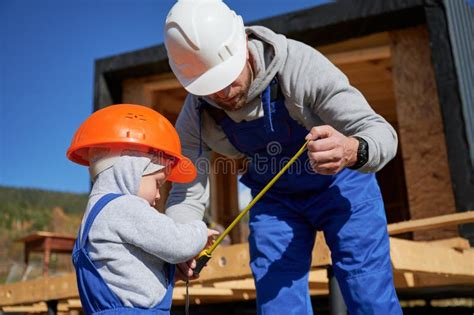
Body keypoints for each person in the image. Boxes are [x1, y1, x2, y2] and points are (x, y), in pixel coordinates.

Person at [163, 0, 402, 314]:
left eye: (227, 78)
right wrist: (180, 242)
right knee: (277, 303)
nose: (221, 94)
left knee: (368, 291)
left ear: (243, 45)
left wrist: (351, 149)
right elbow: (186, 191)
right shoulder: (196, 114)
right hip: (276, 201)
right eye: (210, 87)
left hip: (343, 187)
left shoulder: (299, 66)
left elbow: (381, 132)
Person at [66, 104, 213, 314]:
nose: (158, 195)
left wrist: (169, 274)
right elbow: (177, 242)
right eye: (158, 183)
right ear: (133, 169)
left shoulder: (96, 216)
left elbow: (127, 273)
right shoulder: (123, 207)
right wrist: (200, 230)